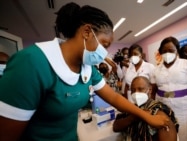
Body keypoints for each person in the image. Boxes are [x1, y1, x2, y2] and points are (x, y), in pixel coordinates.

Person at [0, 3, 170, 141]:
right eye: (104, 45)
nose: (104, 53)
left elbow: (114, 97)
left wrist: (146, 116)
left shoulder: (86, 67)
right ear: (87, 32)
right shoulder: (32, 63)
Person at [152, 36, 187, 141]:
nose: (167, 53)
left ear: (177, 50)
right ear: (160, 52)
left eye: (171, 50)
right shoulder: (156, 70)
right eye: (164, 51)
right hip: (165, 111)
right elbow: (153, 91)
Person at [113, 76, 179, 141]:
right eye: (133, 90)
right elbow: (116, 127)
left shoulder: (159, 111)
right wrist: (132, 118)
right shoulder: (131, 109)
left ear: (150, 90)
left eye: (140, 89)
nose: (136, 93)